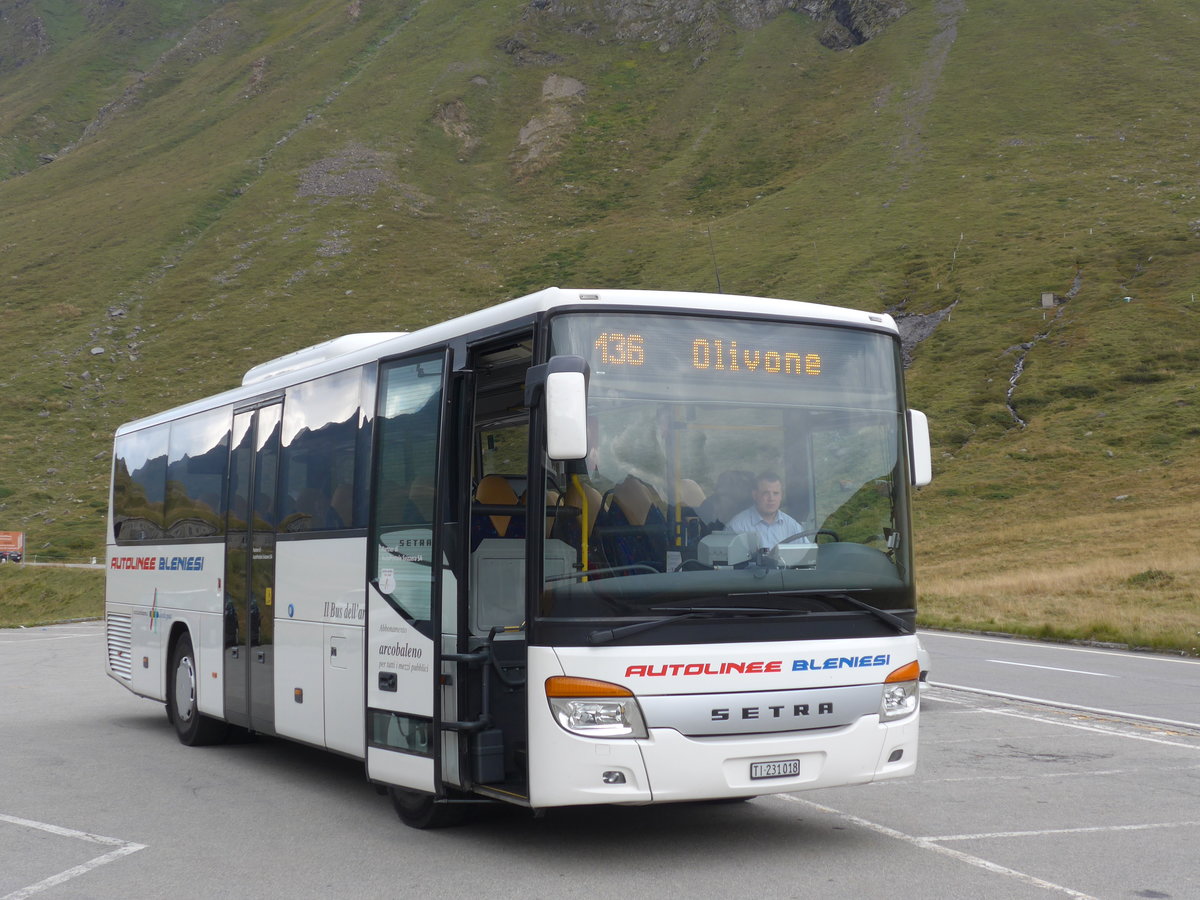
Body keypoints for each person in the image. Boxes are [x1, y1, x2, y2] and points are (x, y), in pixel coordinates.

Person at [727, 472, 806, 548]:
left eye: (776, 493)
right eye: (766, 493)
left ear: (781, 495)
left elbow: (807, 556)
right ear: (755, 495)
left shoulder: (793, 526)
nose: (771, 498)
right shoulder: (737, 527)